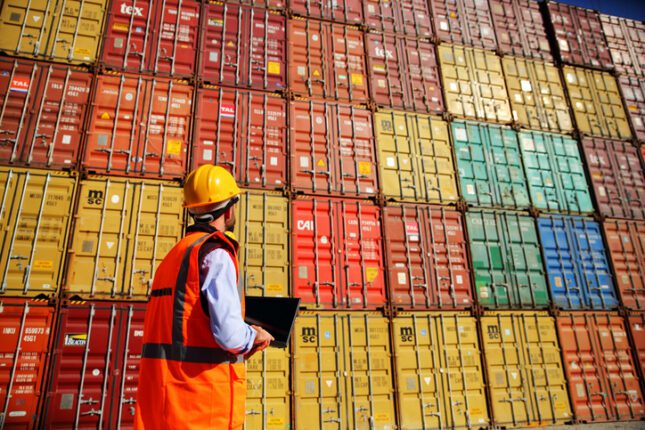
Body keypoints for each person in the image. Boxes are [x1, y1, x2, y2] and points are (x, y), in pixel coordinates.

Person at [134, 165, 274, 430]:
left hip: (163, 404)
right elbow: (229, 335)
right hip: (201, 406)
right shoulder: (217, 254)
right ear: (230, 209)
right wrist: (254, 336)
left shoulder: (174, 256)